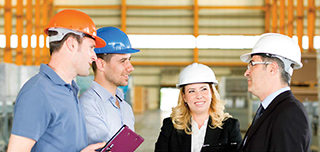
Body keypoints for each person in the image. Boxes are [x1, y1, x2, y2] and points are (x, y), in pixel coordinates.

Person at [7, 9, 107, 152]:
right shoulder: (38, 92)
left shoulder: (70, 90)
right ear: (71, 44)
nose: (94, 57)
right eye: (91, 48)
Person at [238, 33, 311, 151]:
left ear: (272, 69)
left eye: (252, 64)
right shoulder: (271, 110)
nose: (246, 72)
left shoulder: (289, 114)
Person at [155, 63, 242, 152]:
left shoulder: (230, 126)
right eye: (191, 91)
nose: (199, 96)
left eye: (203, 89)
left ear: (211, 93)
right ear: (184, 97)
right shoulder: (170, 126)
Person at [79, 27, 139, 145]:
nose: (130, 68)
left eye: (129, 60)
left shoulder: (125, 107)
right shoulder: (88, 105)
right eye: (123, 61)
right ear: (101, 64)